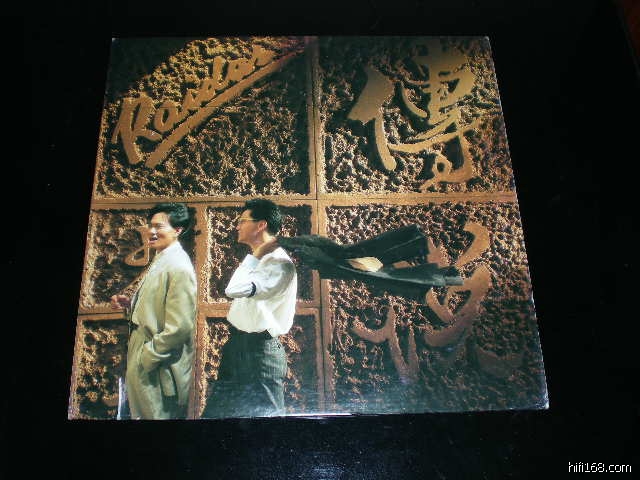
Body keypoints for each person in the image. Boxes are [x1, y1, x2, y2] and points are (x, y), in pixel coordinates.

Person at [203, 199, 297, 418]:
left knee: (267, 423)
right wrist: (257, 256)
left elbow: (233, 290)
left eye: (242, 221)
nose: (237, 226)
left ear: (261, 225)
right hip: (238, 346)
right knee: (215, 419)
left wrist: (255, 256)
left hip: (260, 354)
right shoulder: (262, 260)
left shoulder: (279, 264)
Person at [110, 203, 197, 420]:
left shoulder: (179, 266)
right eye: (150, 225)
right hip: (144, 350)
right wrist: (131, 305)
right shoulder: (163, 259)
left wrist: (148, 356)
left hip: (157, 363)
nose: (152, 231)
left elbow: (181, 327)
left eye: (159, 226)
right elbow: (160, 306)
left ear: (178, 230)